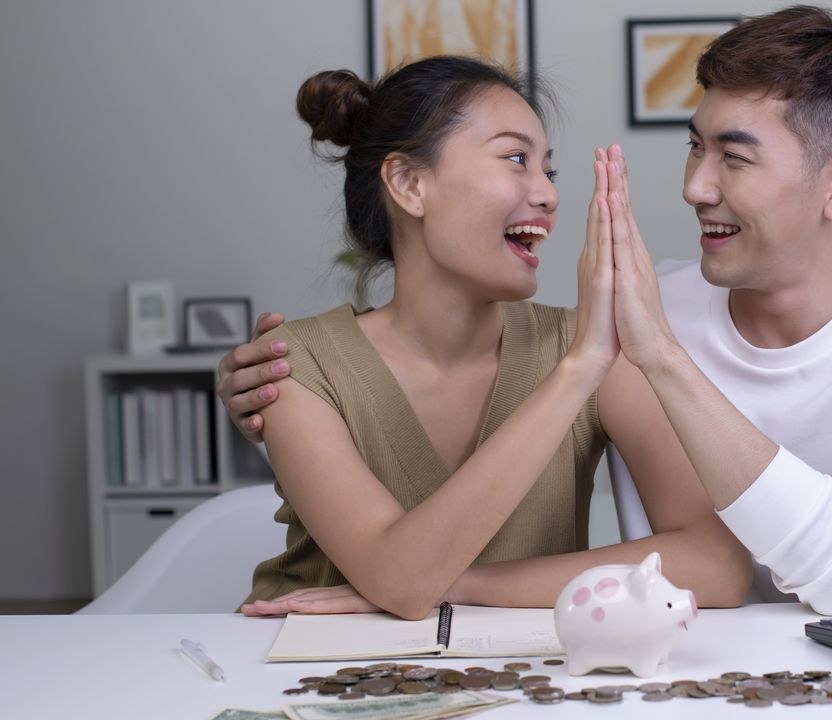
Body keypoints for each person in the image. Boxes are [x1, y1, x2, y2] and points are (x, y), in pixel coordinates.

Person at [223, 6, 832, 617]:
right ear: (408, 185)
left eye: (733, 157)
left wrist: (439, 585)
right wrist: (254, 378)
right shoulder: (623, 317)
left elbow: (805, 565)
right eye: (694, 148)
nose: (694, 187)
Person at [227, 55, 750, 620]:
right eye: (516, 159)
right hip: (302, 683)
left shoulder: (582, 347)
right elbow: (400, 584)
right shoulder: (295, 366)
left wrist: (466, 584)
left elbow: (717, 565)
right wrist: (578, 371)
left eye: (548, 171)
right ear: (408, 184)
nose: (548, 195)